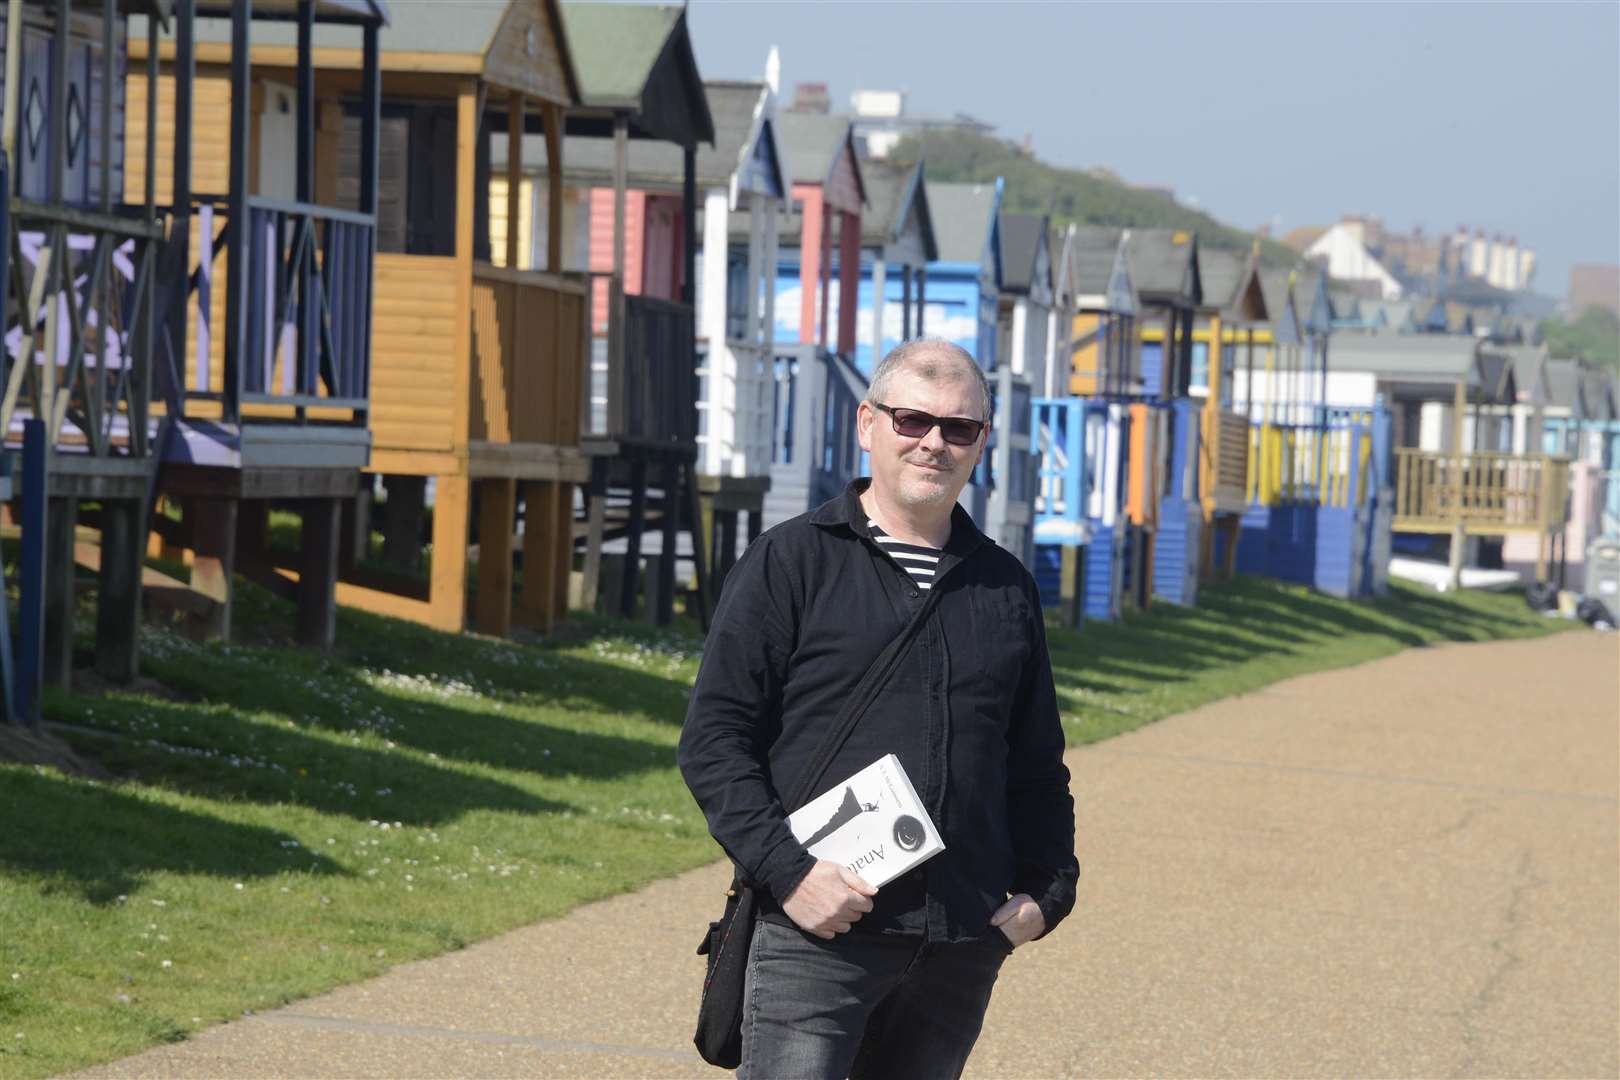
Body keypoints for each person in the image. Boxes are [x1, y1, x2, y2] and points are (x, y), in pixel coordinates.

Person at [678, 339, 1079, 1079]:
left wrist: (1048, 893)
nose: (934, 442)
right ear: (868, 424)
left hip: (959, 944)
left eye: (958, 428)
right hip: (819, 931)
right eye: (912, 420)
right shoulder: (791, 562)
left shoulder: (1006, 587)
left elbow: (1034, 767)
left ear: (980, 443)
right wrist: (791, 875)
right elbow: (714, 741)